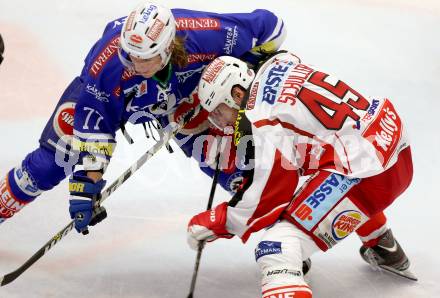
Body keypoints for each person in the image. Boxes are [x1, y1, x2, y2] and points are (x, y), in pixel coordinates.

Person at [0, 2, 287, 233]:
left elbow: (271, 29)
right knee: (51, 163)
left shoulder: (208, 34)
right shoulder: (109, 65)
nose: (136, 65)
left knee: (235, 167)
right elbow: (97, 122)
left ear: (168, 47)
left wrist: (243, 76)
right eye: (130, 55)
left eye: (145, 58)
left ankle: (286, 240)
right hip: (103, 95)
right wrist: (88, 182)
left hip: (189, 98)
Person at [186, 53, 415, 297]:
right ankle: (382, 244)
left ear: (237, 95)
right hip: (391, 139)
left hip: (370, 173)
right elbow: (289, 58)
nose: (221, 124)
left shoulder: (257, 118)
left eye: (219, 112)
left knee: (276, 248)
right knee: (328, 180)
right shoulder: (276, 66)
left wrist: (221, 219)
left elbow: (268, 197)